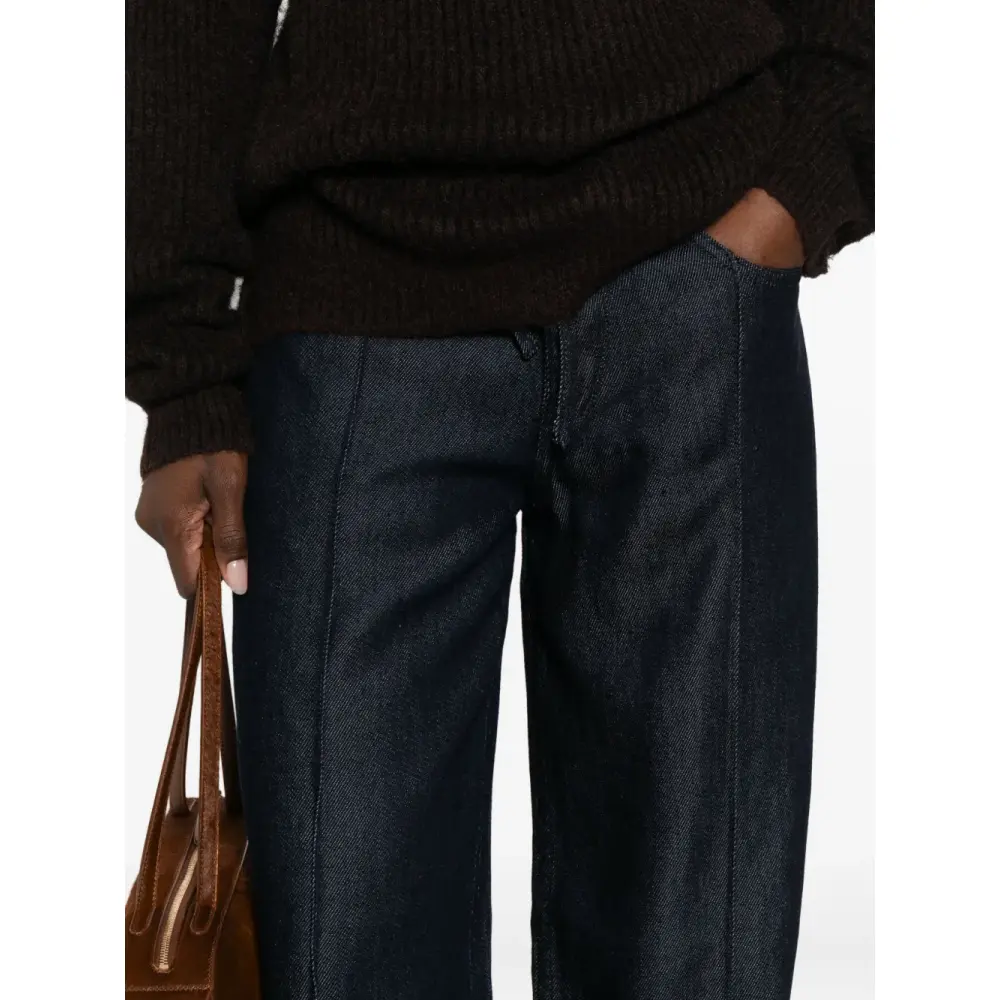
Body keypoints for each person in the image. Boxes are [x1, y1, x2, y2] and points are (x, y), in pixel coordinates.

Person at [126, 0, 873, 995]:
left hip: (691, 280)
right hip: (354, 294)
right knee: (342, 957)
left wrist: (813, 162)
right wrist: (182, 365)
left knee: (697, 967)